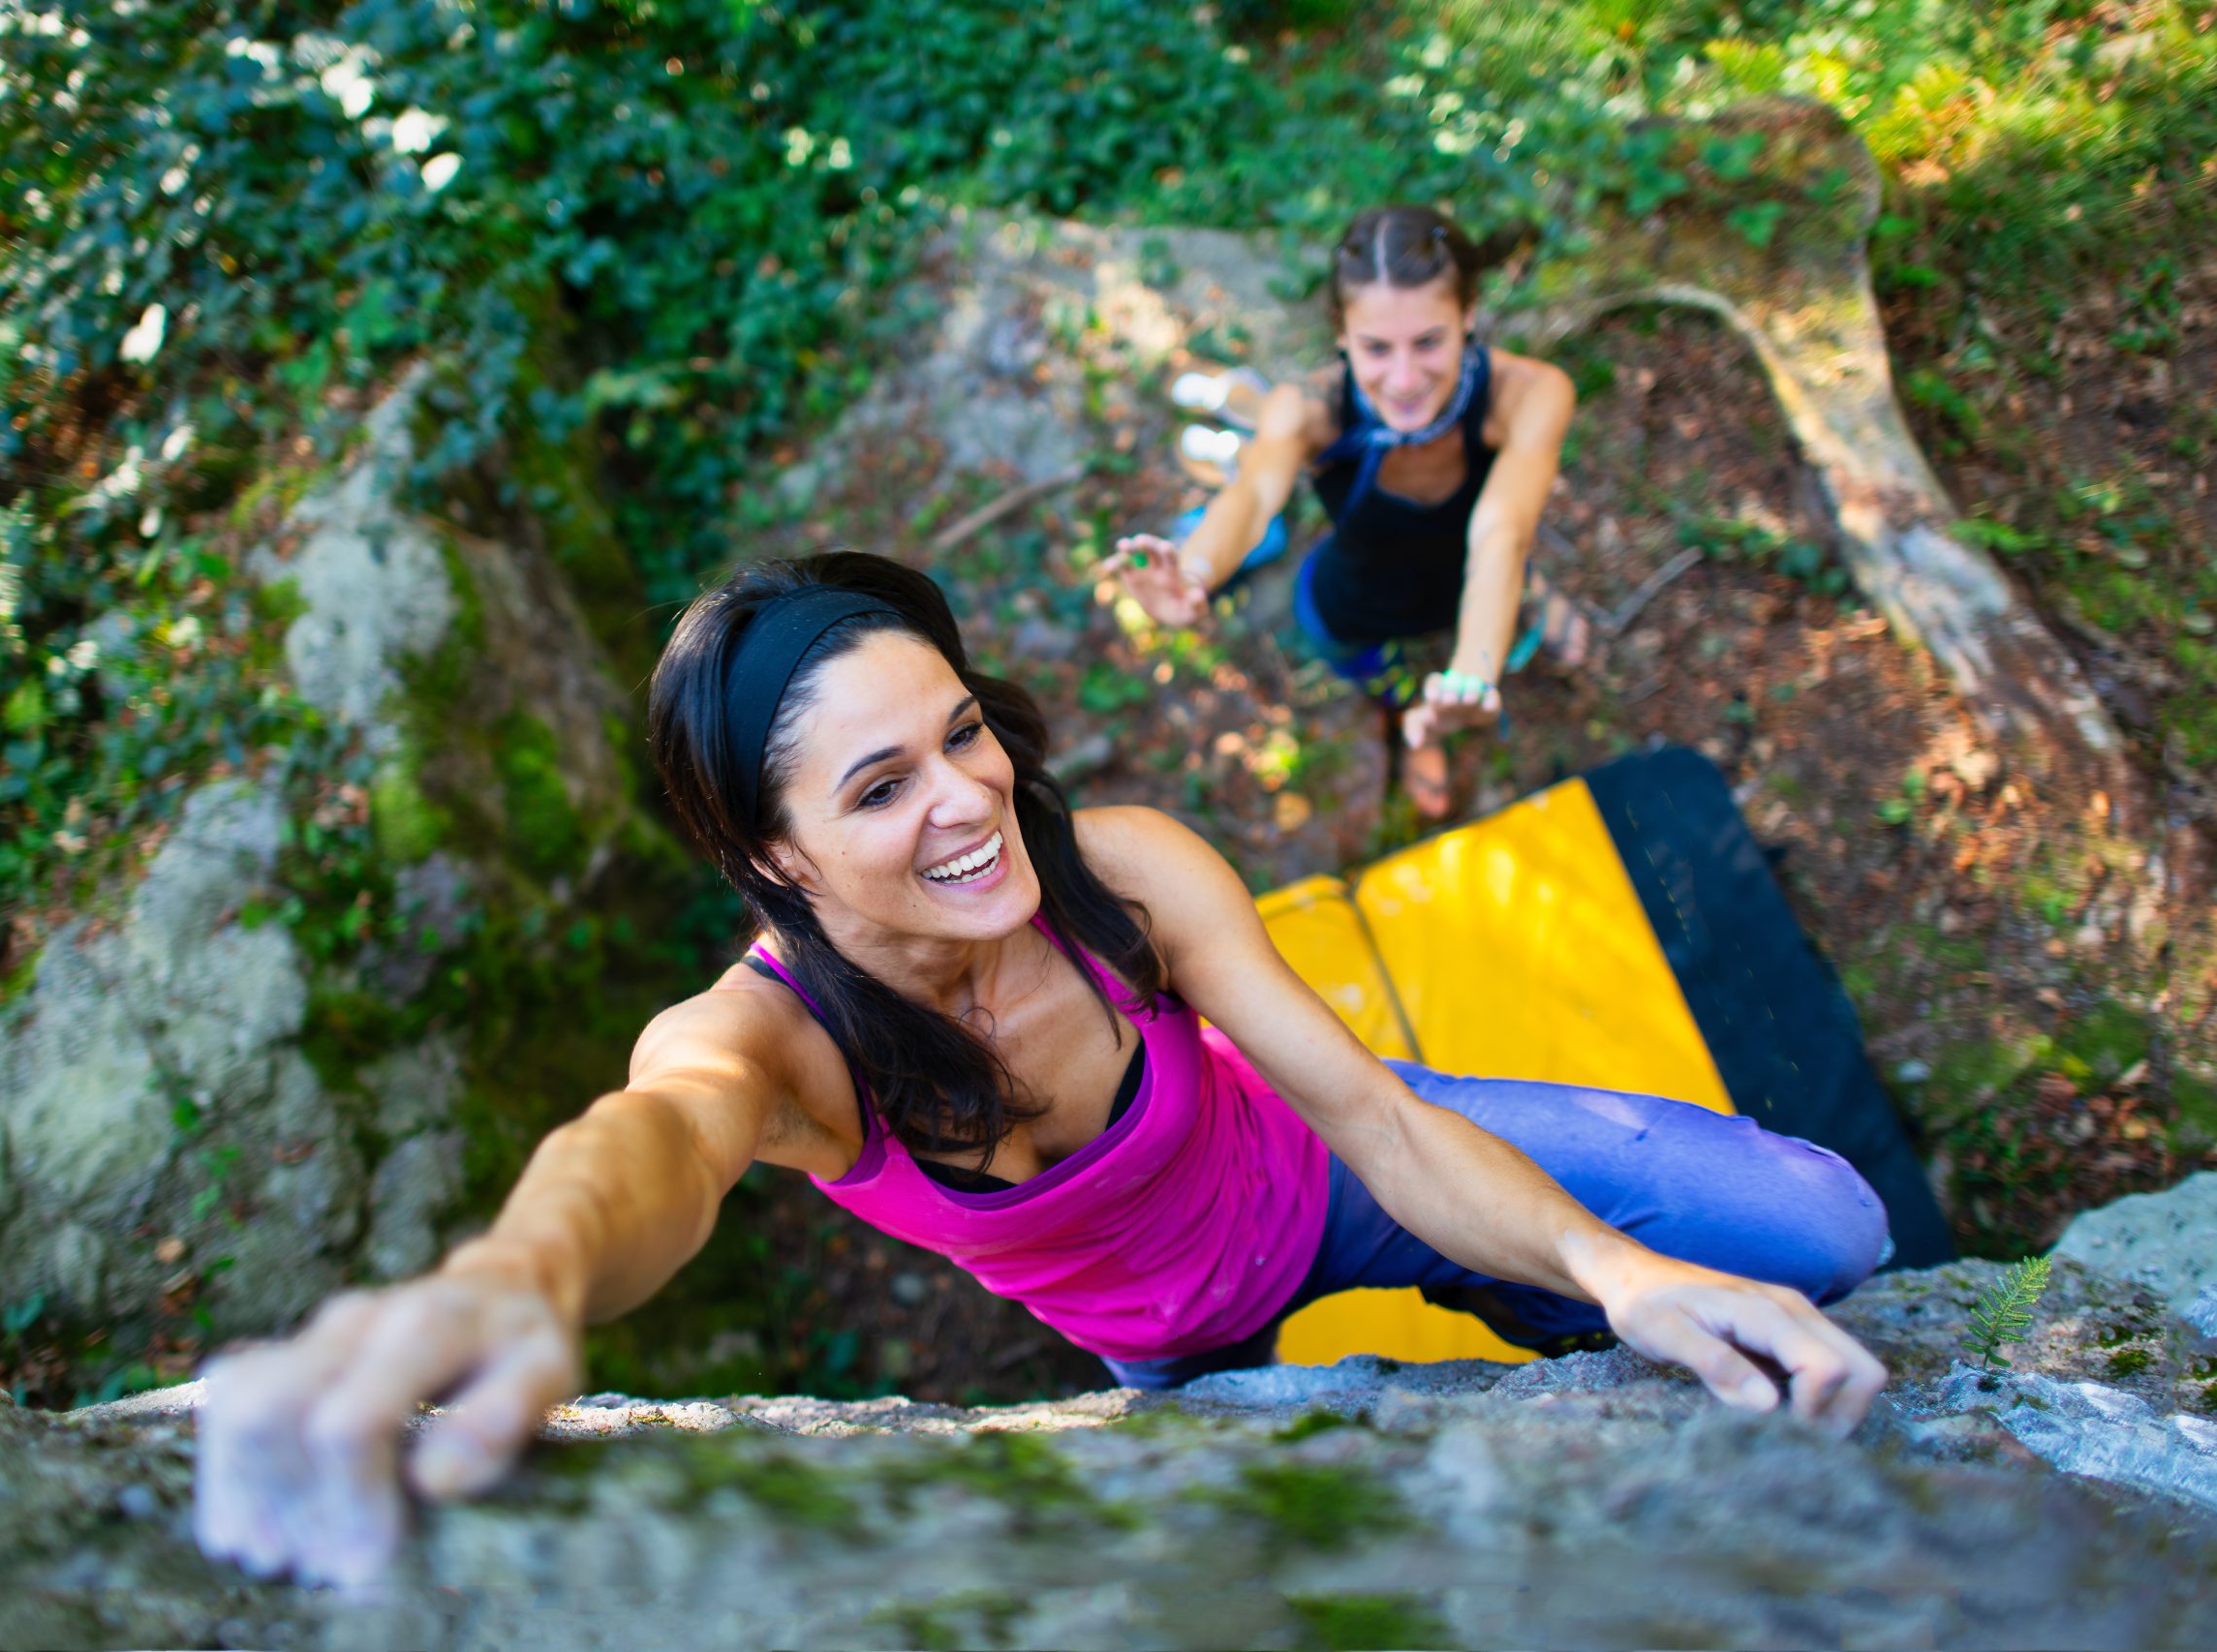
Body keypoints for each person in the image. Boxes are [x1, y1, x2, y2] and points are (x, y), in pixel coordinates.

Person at [194, 552, 1889, 1587]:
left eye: (961, 733)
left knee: (1824, 1232)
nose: (965, 797)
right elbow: (653, 1137)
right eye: (879, 789)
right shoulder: (770, 1044)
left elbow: (1372, 1110)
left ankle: (1535, 1295)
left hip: (1329, 1188)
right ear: (774, 861)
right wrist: (525, 1272)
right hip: (1168, 1351)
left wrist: (1616, 1273)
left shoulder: (1123, 871)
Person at [1105, 206, 1591, 818]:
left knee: (1505, 588)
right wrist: (1195, 570)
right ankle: (1416, 726)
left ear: (1468, 313)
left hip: (1478, 576)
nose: (1404, 379)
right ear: (1341, 331)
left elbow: (1503, 533)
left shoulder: (1527, 395)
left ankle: (1513, 618)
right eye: (1376, 348)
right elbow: (1252, 497)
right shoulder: (1309, 407)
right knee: (1385, 678)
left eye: (1429, 342)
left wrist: (1472, 673)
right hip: (1358, 601)